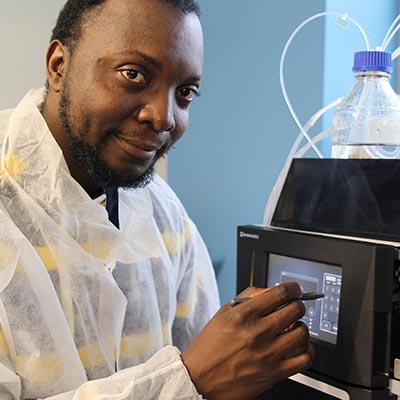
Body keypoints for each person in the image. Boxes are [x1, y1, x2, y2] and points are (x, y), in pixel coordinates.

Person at [0, 0, 314, 399]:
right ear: (59, 65)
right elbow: (204, 375)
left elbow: (219, 364)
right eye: (133, 74)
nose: (163, 116)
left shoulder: (160, 212)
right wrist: (188, 380)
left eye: (185, 92)